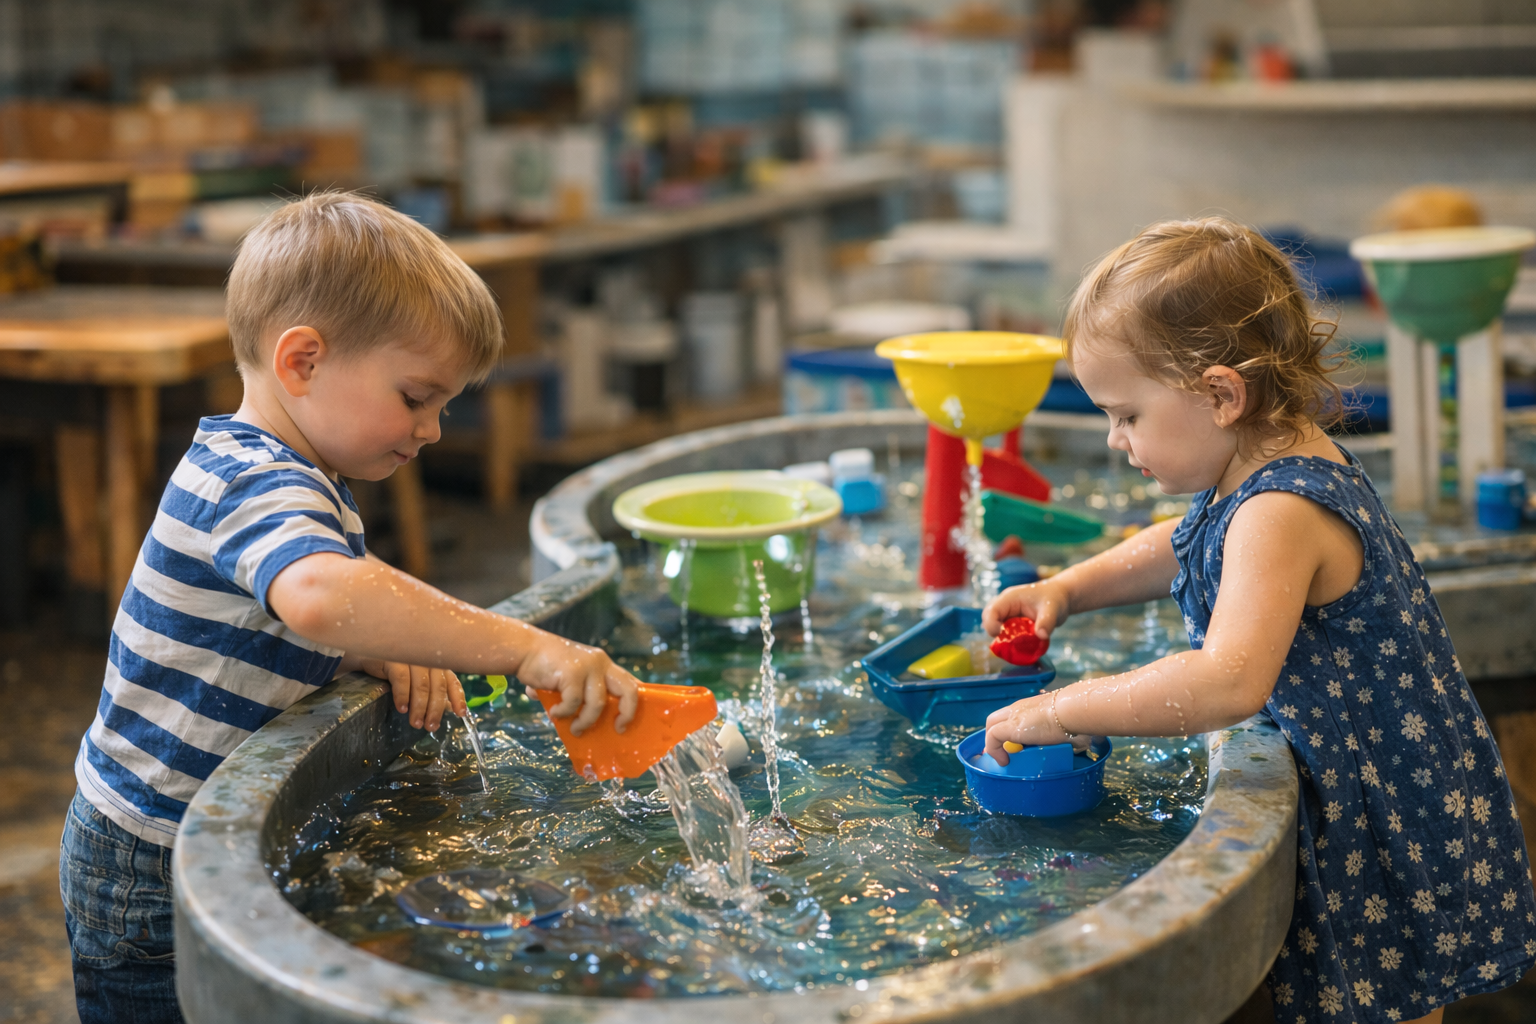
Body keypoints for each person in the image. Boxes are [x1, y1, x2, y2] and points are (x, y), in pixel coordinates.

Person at [58, 191, 640, 1024]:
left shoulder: (293, 470)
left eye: (443, 406)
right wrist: (525, 649)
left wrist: (366, 646)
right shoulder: (250, 479)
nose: (433, 430)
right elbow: (318, 593)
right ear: (302, 362)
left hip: (183, 837)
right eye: (415, 397)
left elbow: (280, 610)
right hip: (149, 866)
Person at [982, 218, 1536, 1024]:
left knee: (1388, 1002)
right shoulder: (1255, 466)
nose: (1113, 439)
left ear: (1220, 395)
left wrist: (1061, 709)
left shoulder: (1280, 508)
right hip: (1375, 788)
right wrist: (1066, 590)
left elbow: (1226, 682)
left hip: (1388, 817)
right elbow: (1181, 546)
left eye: (1127, 415)